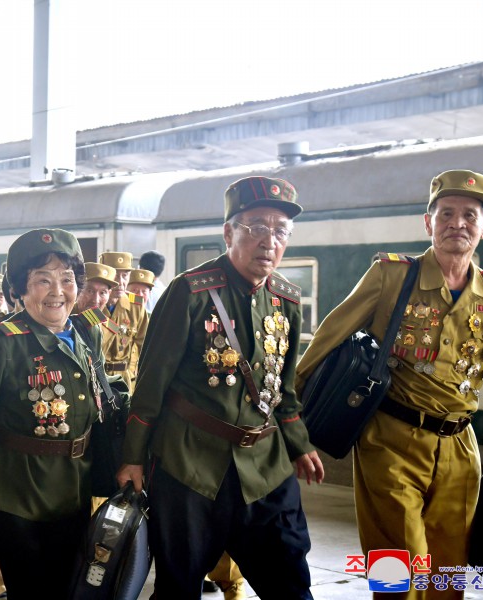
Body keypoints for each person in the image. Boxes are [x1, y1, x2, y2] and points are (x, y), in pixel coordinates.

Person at [116, 176, 324, 598]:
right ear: (229, 233)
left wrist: (299, 444)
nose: (269, 241)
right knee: (179, 585)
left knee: (291, 580)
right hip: (190, 465)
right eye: (256, 227)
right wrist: (133, 458)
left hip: (266, 467)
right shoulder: (189, 292)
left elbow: (282, 389)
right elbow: (151, 384)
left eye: (280, 230)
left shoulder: (286, 299)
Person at [297, 169, 483, 600]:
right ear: (428, 222)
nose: (456, 224)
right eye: (445, 213)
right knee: (399, 568)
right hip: (390, 443)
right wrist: (293, 426)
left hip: (462, 449)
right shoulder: (391, 276)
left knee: (449, 573)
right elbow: (326, 342)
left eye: (469, 215)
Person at [0, 228, 102, 600]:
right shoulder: (1, 343)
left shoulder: (88, 335)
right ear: (20, 291)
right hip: (17, 496)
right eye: (42, 280)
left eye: (66, 279)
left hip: (75, 490)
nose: (57, 291)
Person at [98, 251, 148, 391]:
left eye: (125, 275)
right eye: (115, 275)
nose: (120, 282)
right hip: (97, 377)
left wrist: (133, 371)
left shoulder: (136, 305)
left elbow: (144, 344)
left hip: (126, 380)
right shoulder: (92, 303)